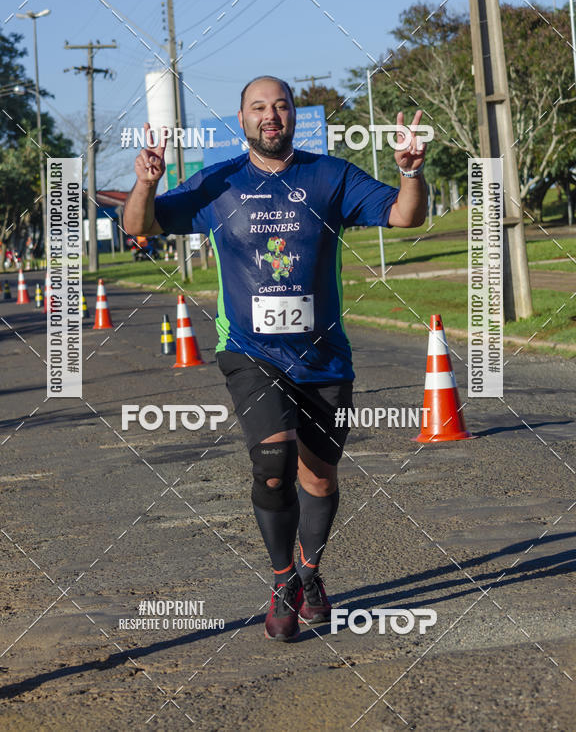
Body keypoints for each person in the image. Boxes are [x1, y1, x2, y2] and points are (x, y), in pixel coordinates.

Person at [123, 76, 428, 642]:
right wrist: (146, 182)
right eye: (258, 108)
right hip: (248, 351)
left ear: (293, 117)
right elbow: (139, 225)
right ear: (242, 120)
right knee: (272, 464)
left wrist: (410, 171)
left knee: (319, 477)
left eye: (280, 106)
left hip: (324, 357)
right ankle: (283, 580)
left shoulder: (330, 176)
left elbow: (406, 217)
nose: (271, 116)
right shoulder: (217, 183)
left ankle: (311, 574)